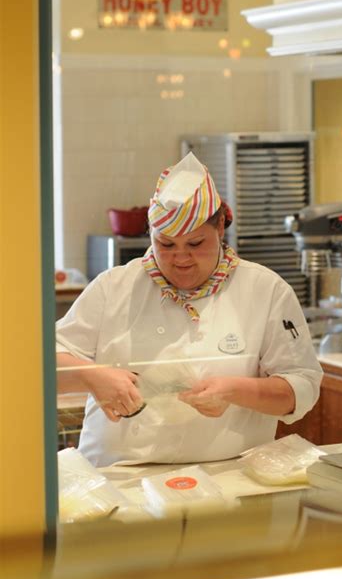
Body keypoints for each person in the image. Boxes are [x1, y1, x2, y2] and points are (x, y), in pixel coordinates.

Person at [56, 152, 323, 467]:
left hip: (230, 479)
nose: (180, 258)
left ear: (220, 227)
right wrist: (92, 376)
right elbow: (40, 367)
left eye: (196, 244)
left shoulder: (265, 291)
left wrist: (236, 390)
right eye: (165, 245)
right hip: (119, 478)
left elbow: (302, 389)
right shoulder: (113, 287)